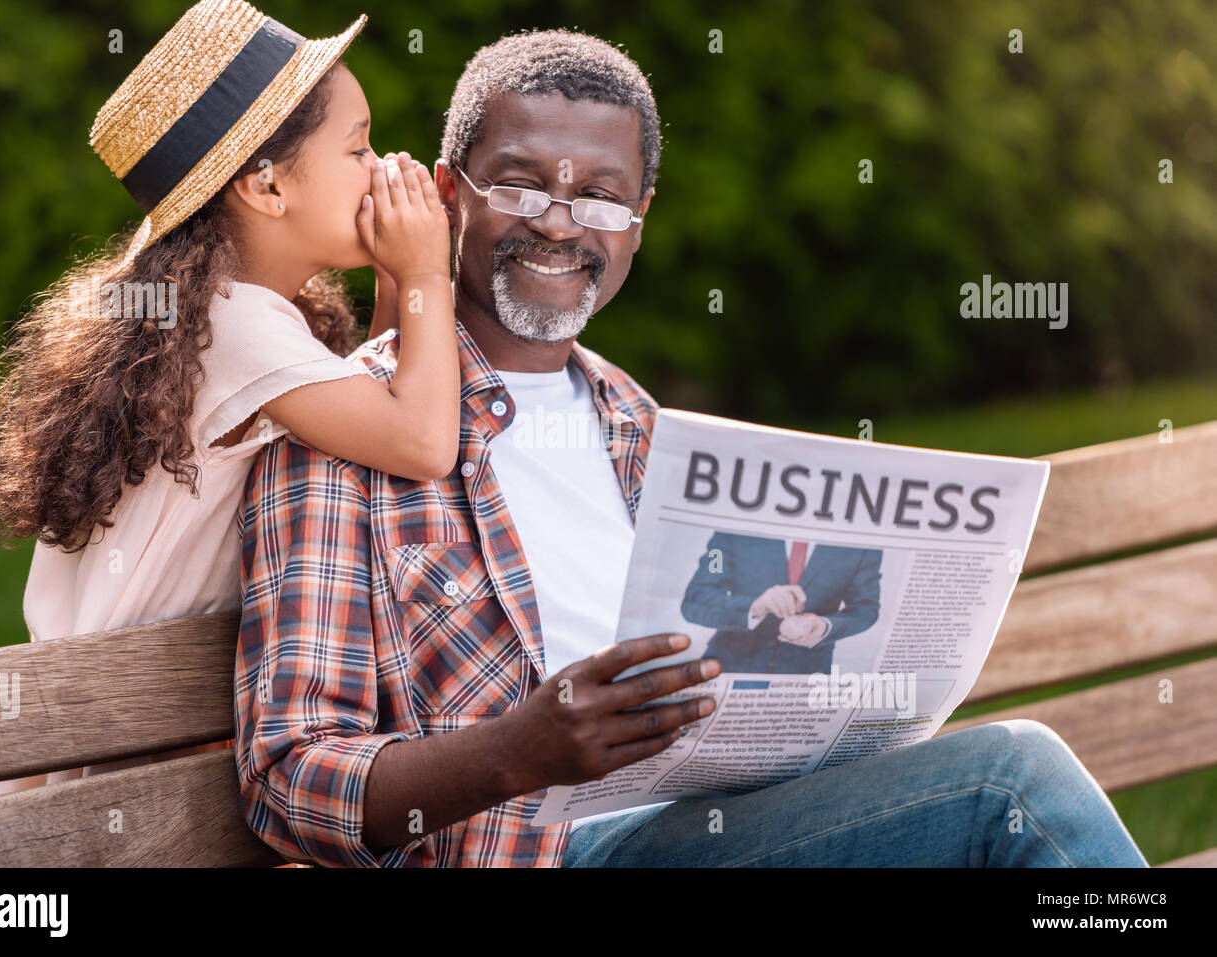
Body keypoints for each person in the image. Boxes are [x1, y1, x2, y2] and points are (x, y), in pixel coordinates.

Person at [233, 29, 1148, 868]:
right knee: (1010, 787)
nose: (559, 222)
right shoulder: (344, 432)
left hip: (725, 826)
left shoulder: (640, 422)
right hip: (549, 855)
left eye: (599, 196)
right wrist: (516, 751)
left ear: (640, 216)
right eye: (518, 185)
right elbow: (286, 780)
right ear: (444, 193)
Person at [0, 1, 458, 795]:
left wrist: (396, 283)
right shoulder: (234, 324)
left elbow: (372, 411)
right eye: (359, 146)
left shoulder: (213, 312)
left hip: (112, 742)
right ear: (265, 184)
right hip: (117, 772)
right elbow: (422, 441)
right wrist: (429, 274)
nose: (381, 167)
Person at [682, 532, 882, 674]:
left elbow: (865, 608)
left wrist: (825, 626)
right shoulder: (730, 535)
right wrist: (756, 606)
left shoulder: (862, 547)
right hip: (730, 665)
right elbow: (699, 597)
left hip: (806, 677)